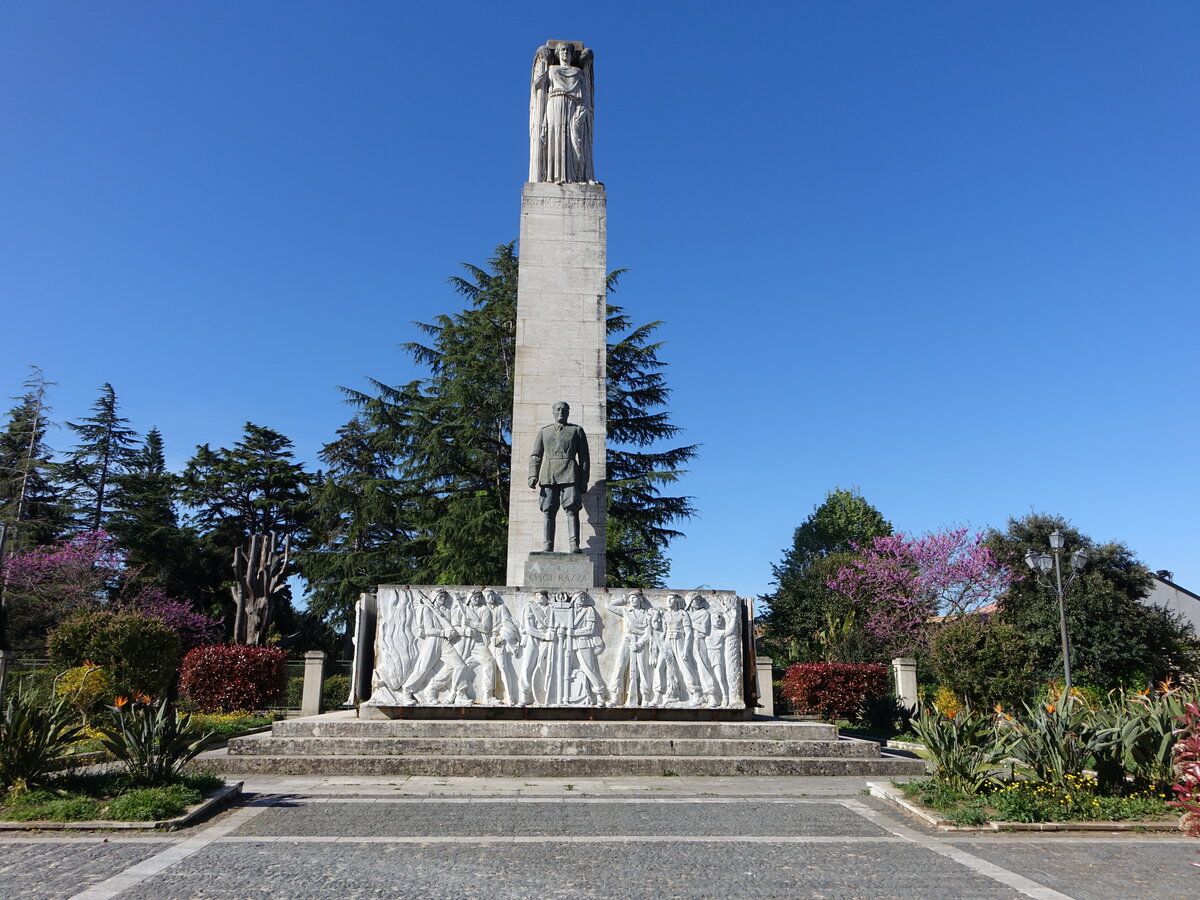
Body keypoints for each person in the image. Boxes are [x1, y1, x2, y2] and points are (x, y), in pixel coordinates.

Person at [529, 41, 595, 184]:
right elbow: (537, 85)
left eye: (567, 51)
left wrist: (581, 112)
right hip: (555, 103)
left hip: (573, 106)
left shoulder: (578, 73)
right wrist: (537, 79)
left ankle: (577, 176)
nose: (565, 53)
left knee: (575, 142)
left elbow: (586, 94)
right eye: (562, 50)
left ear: (571, 54)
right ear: (558, 54)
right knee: (555, 137)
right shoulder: (552, 70)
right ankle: (553, 176)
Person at [528, 401, 589, 553]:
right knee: (548, 510)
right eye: (558, 409)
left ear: (568, 412)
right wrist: (532, 475)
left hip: (570, 473)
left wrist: (584, 479)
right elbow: (536, 455)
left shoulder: (576, 430)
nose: (561, 411)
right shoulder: (544, 432)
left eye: (564, 409)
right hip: (548, 474)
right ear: (553, 412)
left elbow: (584, 458)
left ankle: (574, 544)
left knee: (572, 509)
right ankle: (547, 545)